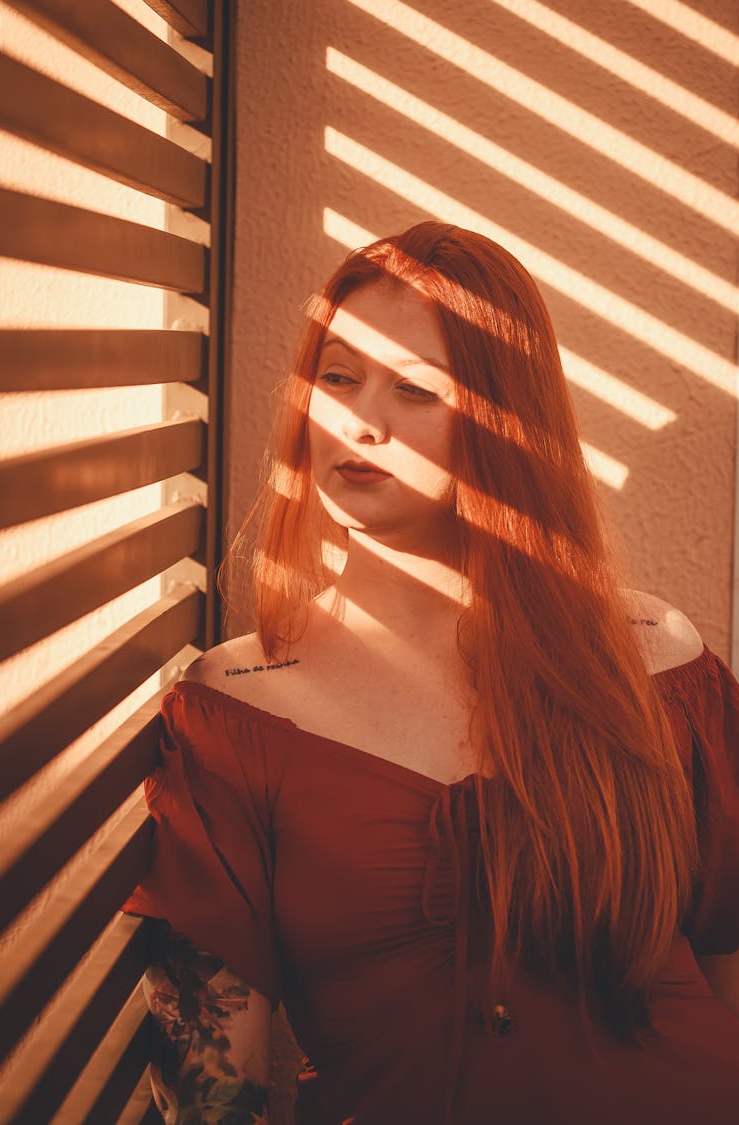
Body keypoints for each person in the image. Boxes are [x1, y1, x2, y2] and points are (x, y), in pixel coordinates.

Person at [125, 221, 739, 1125]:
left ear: (505, 422)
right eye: (337, 376)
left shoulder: (654, 659)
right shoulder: (233, 713)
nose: (359, 420)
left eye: (415, 389)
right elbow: (213, 1083)